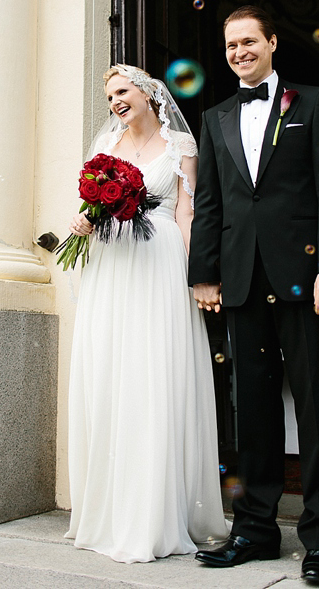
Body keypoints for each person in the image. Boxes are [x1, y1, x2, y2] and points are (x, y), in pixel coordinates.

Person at [189, 5, 319, 584]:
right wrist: (203, 273)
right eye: (231, 45)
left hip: (306, 280)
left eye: (248, 42)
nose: (239, 52)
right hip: (240, 281)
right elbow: (209, 202)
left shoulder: (313, 103)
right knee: (251, 413)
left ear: (272, 43)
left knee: (315, 409)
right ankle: (255, 531)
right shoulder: (214, 119)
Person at [65, 63, 228, 564]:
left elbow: (186, 212)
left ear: (148, 93)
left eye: (122, 90)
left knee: (155, 376)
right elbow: (84, 206)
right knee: (112, 376)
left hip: (158, 267)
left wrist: (199, 275)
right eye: (109, 94)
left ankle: (159, 512)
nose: (114, 100)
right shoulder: (103, 150)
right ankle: (112, 512)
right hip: (111, 269)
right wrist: (80, 221)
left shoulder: (182, 147)